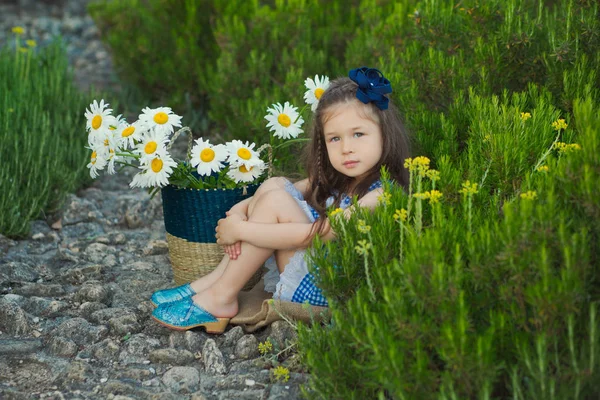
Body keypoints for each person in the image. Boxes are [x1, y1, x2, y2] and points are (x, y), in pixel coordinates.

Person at [150, 67, 411, 333]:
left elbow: (318, 234)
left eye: (358, 134)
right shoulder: (339, 179)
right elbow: (275, 189)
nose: (346, 148)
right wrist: (238, 213)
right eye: (335, 138)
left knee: (277, 202)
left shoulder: (383, 194)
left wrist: (242, 230)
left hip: (330, 289)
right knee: (275, 185)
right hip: (311, 271)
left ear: (384, 134)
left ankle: (221, 297)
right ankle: (213, 282)